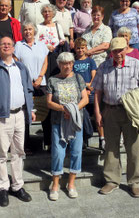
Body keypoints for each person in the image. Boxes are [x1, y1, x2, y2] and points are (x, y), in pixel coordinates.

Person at [0, 36, 36, 207]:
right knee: (2, 154)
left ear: (13, 47)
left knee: (18, 153)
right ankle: (2, 188)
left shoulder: (21, 67)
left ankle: (17, 186)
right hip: (1, 117)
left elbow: (28, 89)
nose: (6, 46)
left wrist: (31, 109)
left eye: (9, 44)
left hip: (19, 115)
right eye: (2, 44)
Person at [93, 37, 139, 198]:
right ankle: (112, 180)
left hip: (131, 112)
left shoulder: (136, 65)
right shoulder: (104, 67)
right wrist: (98, 112)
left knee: (133, 148)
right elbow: (97, 92)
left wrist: (134, 96)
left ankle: (134, 182)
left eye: (121, 50)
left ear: (126, 49)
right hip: (110, 111)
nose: (118, 54)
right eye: (114, 51)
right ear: (110, 52)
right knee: (111, 147)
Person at [46, 52, 89, 201]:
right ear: (59, 64)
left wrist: (72, 110)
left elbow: (85, 99)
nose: (67, 66)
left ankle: (71, 184)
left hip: (76, 122)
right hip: (58, 121)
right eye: (64, 63)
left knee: (76, 151)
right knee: (58, 153)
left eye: (70, 63)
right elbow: (49, 102)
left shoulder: (78, 78)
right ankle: (55, 185)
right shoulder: (52, 80)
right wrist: (64, 109)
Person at [14, 22, 49, 150]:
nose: (28, 31)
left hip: (41, 84)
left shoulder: (41, 45)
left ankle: (48, 142)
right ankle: (25, 145)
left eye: (30, 29)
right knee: (25, 114)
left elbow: (45, 63)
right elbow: (17, 64)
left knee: (45, 113)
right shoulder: (18, 45)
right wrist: (27, 80)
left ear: (34, 31)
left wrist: (40, 77)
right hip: (25, 85)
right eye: (25, 29)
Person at [73, 37, 104, 151]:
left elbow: (94, 75)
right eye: (78, 48)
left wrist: (89, 86)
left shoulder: (90, 61)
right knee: (82, 116)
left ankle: (102, 139)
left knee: (98, 114)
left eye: (82, 48)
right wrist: (84, 87)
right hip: (80, 93)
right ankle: (84, 139)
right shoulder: (73, 62)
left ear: (86, 48)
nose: (80, 50)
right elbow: (74, 78)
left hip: (91, 91)